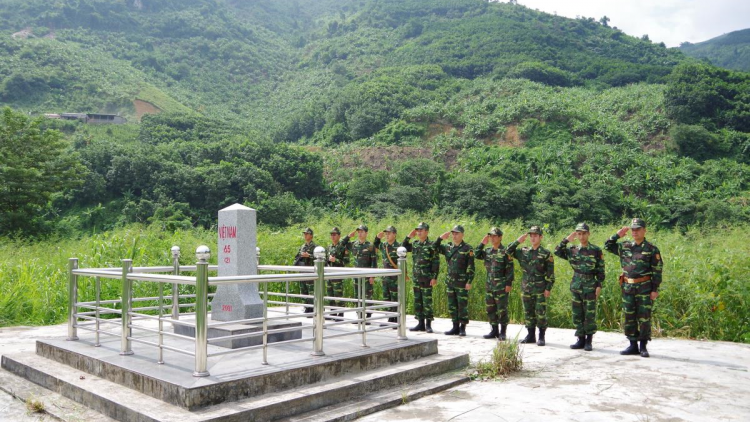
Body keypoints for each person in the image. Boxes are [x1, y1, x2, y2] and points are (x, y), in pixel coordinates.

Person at [604, 218, 663, 358]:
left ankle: (643, 346)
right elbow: (607, 245)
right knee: (629, 316)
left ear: (644, 230)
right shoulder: (625, 246)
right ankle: (632, 345)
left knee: (644, 317)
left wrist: (655, 289)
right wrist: (617, 235)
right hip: (628, 287)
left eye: (638, 229)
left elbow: (657, 270)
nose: (635, 232)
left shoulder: (651, 249)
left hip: (644, 288)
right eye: (633, 229)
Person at [554, 223, 605, 351]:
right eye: (579, 234)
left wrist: (599, 285)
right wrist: (566, 239)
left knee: (589, 313)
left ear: (588, 234)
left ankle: (589, 341)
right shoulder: (572, 250)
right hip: (577, 284)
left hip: (590, 285)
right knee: (577, 313)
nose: (581, 236)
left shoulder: (596, 250)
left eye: (584, 233)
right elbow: (557, 251)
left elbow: (600, 269)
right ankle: (580, 339)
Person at [506, 225, 555, 346]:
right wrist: (518, 241)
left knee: (540, 312)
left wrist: (548, 288)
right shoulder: (523, 251)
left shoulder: (546, 254)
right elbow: (507, 251)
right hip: (526, 287)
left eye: (535, 236)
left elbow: (550, 274)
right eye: (531, 236)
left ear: (540, 237)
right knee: (528, 312)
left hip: (540, 288)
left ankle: (541, 336)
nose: (533, 238)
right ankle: (530, 335)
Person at [475, 227, 514, 340]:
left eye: (494, 236)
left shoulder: (505, 251)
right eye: (491, 236)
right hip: (490, 285)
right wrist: (482, 243)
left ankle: (503, 332)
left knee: (502, 309)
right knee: (490, 309)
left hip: (501, 286)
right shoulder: (487, 251)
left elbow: (509, 269)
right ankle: (494, 330)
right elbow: (477, 255)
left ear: (500, 237)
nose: (492, 238)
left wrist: (508, 283)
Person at [402, 222, 441, 333]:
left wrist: (434, 277)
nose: (418, 232)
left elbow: (435, 262)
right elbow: (403, 247)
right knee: (418, 301)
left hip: (427, 278)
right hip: (417, 277)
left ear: (426, 232)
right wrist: (409, 236)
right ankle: (420, 323)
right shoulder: (415, 244)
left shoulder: (431, 245)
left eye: (421, 230)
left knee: (427, 301)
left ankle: (428, 324)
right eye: (417, 230)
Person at [437, 225, 475, 337]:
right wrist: (440, 238)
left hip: (462, 282)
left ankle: (462, 328)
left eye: (457, 233)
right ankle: (455, 327)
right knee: (452, 305)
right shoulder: (448, 247)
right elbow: (434, 247)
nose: (454, 235)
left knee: (462, 305)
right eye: (453, 233)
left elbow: (471, 267)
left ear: (462, 234)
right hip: (450, 282)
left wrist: (469, 281)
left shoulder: (468, 248)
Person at [345, 225, 377, 322]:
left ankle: (368, 315)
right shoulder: (354, 244)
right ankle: (359, 315)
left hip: (367, 274)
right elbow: (342, 244)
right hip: (356, 274)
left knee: (367, 294)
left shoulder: (370, 246)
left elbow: (374, 262)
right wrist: (348, 236)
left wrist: (372, 276)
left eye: (362, 232)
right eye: (358, 232)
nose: (360, 233)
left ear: (366, 233)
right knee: (357, 295)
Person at [373, 226, 401, 327]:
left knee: (395, 298)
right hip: (386, 277)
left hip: (395, 278)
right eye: (386, 233)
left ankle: (395, 319)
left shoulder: (399, 247)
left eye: (389, 233)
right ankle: (390, 318)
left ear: (394, 234)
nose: (387, 235)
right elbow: (375, 244)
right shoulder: (384, 245)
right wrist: (377, 237)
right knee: (387, 298)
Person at [326, 227, 350, 319]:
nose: (332, 236)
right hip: (329, 274)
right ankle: (332, 313)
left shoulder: (343, 247)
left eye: (334, 234)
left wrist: (335, 260)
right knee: (330, 294)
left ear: (339, 236)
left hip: (338, 274)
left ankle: (340, 314)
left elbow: (346, 262)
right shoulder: (329, 247)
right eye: (331, 234)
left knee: (338, 294)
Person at [293, 227, 317, 315]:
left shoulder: (315, 247)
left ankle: (312, 308)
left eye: (307, 234)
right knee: (303, 290)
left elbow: (319, 258)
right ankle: (306, 307)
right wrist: (300, 257)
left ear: (311, 236)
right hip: (302, 271)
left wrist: (309, 256)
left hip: (310, 272)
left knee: (311, 290)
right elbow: (296, 257)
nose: (305, 235)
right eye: (304, 234)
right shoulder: (302, 247)